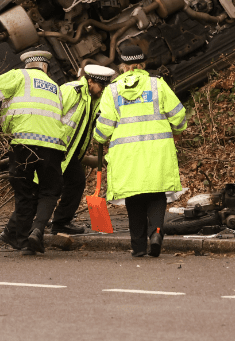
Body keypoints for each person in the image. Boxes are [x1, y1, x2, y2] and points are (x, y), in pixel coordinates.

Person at [93, 44, 187, 258]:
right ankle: (156, 232)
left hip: (126, 156)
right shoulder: (157, 85)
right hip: (158, 151)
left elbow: (105, 127)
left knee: (134, 199)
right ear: (142, 64)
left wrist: (98, 137)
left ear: (123, 66)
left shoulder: (112, 90)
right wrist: (179, 130)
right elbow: (178, 115)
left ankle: (138, 247)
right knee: (156, 193)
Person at [0, 50, 65, 255]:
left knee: (25, 191)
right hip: (52, 145)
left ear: (28, 65)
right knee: (49, 191)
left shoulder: (19, 75)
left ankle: (23, 240)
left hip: (23, 143)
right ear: (45, 67)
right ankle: (36, 231)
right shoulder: (55, 87)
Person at [49, 64, 116, 235]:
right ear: (90, 80)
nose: (102, 91)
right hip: (57, 147)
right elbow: (51, 114)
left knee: (76, 182)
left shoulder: (95, 97)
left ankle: (60, 223)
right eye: (100, 86)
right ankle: (31, 224)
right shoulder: (72, 90)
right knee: (50, 186)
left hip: (71, 152)